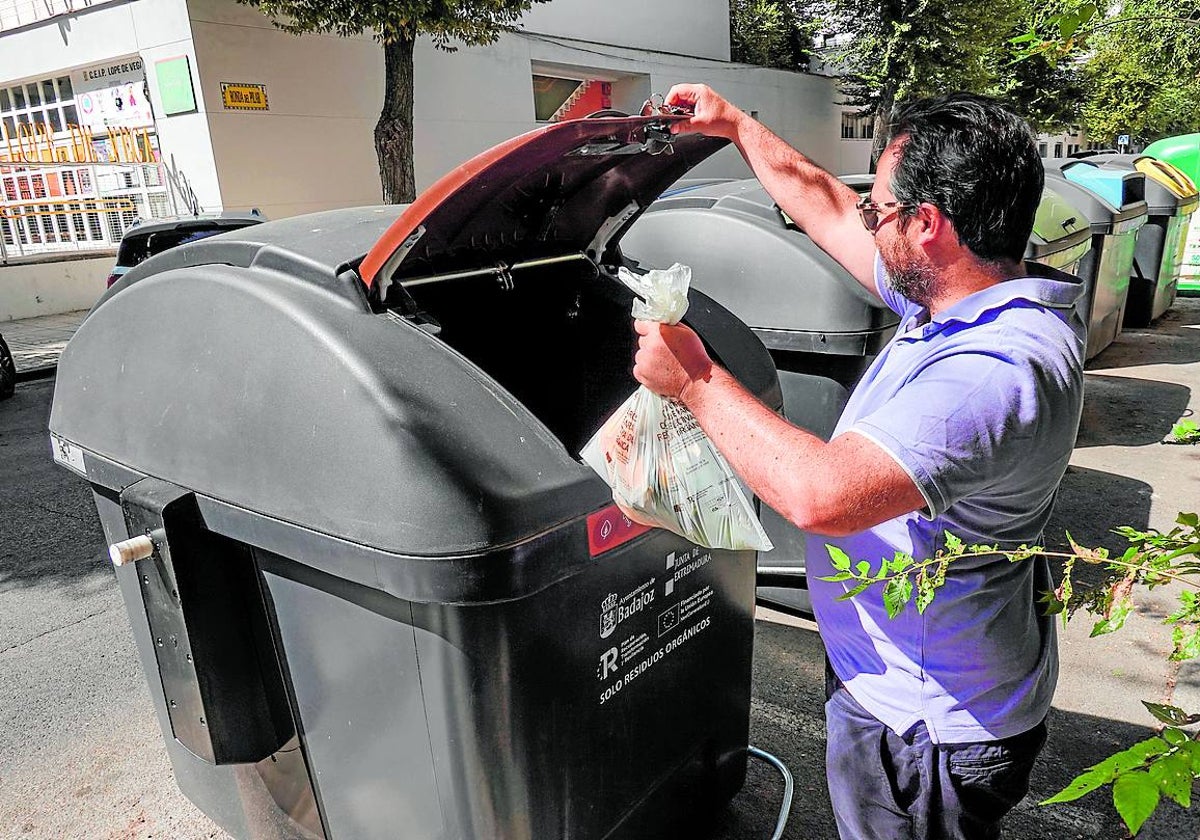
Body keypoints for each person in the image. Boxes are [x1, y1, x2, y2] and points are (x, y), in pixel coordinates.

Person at [631, 86, 1086, 839]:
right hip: (922, 687)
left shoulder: (990, 370)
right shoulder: (956, 297)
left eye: (881, 209)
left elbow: (820, 495)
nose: (865, 220)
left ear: (929, 225)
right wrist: (736, 123)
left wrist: (695, 380)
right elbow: (826, 209)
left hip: (928, 729)